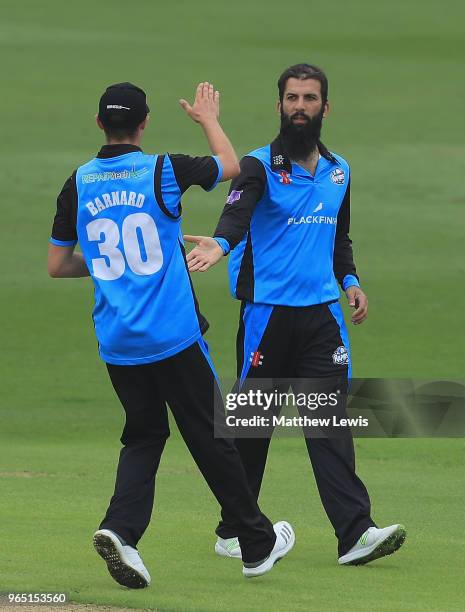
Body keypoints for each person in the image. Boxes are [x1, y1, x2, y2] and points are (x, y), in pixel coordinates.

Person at [48, 81, 295, 588]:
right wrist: (207, 118)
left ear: (99, 125)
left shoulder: (78, 182)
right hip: (173, 335)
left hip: (118, 342)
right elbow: (231, 166)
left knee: (142, 436)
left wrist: (104, 266)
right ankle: (256, 542)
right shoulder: (163, 169)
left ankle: (121, 532)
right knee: (210, 434)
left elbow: (57, 265)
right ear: (144, 123)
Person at [184, 64, 406, 566]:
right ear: (279, 105)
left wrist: (350, 281)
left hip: (323, 318)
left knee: (329, 425)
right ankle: (233, 530)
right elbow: (237, 212)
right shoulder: (259, 165)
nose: (300, 106)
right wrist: (220, 245)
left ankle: (355, 534)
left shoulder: (338, 170)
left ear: (325, 108)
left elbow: (338, 237)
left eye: (309, 98)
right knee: (252, 429)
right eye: (291, 98)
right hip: (269, 317)